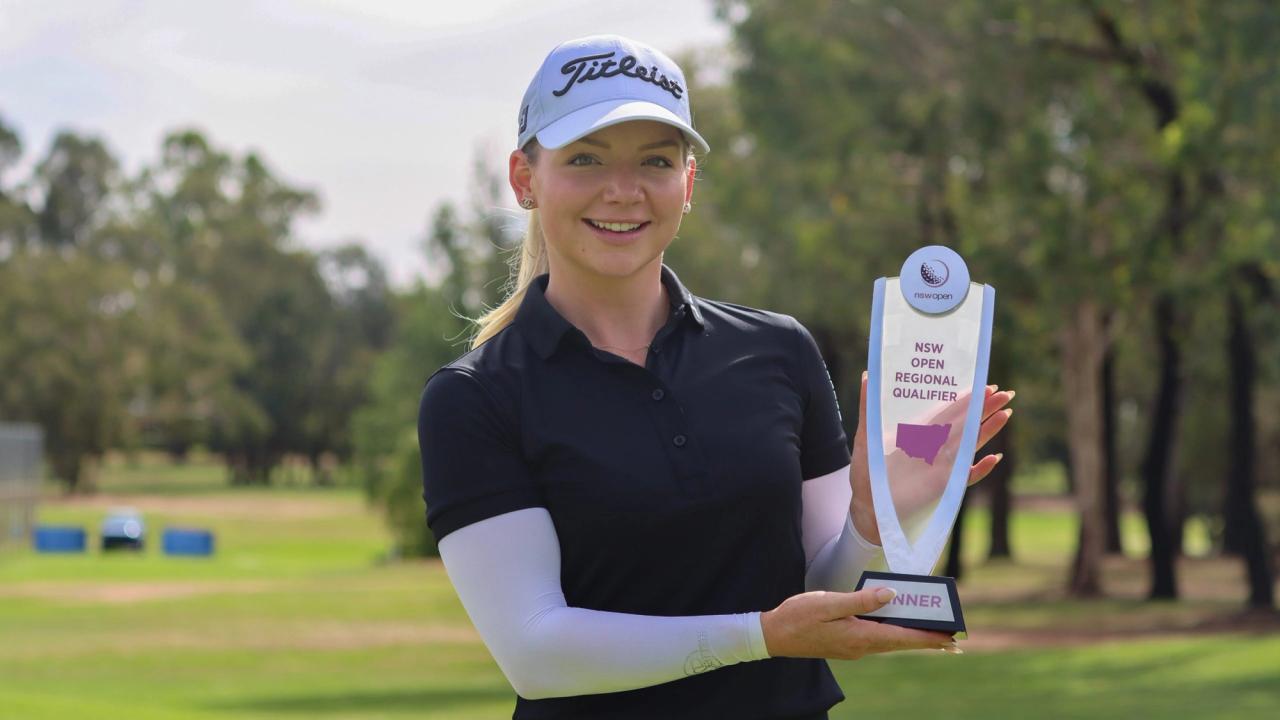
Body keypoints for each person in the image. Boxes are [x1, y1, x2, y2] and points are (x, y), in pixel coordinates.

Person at [418, 34, 1015, 720]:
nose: (623, 190)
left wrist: (869, 525)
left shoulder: (779, 350)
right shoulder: (475, 397)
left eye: (656, 161)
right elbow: (537, 652)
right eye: (585, 159)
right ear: (525, 178)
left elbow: (822, 595)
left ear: (688, 183)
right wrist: (759, 637)